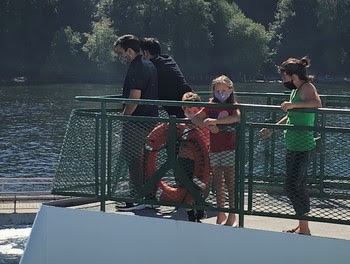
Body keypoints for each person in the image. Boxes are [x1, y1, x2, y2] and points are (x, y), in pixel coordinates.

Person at [260, 56, 322, 235]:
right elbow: (291, 114)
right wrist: (273, 128)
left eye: (284, 76)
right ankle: (303, 224)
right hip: (292, 143)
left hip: (303, 145)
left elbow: (317, 103)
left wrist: (292, 104)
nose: (283, 80)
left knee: (291, 186)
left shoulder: (307, 87)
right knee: (298, 186)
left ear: (293, 75)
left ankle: (305, 228)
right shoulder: (295, 90)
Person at [113, 34, 158, 211]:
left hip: (137, 121)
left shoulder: (136, 67)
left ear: (129, 51)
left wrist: (124, 117)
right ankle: (149, 196)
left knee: (134, 159)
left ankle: (137, 198)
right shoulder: (150, 64)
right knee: (146, 160)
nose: (119, 57)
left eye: (120, 52)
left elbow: (134, 98)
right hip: (151, 119)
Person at [192, 75, 240, 226]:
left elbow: (236, 118)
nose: (221, 93)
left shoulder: (233, 104)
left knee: (230, 182)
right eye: (217, 90)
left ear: (230, 90)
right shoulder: (211, 104)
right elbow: (195, 118)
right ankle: (221, 212)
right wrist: (208, 125)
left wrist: (216, 121)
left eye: (224, 90)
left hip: (230, 148)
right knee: (218, 182)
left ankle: (233, 213)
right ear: (213, 91)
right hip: (215, 148)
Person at [140, 37, 193, 117]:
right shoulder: (167, 59)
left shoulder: (151, 66)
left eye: (140, 53)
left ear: (146, 53)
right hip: (190, 102)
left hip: (182, 110)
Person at [178, 92, 209, 222]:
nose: (190, 114)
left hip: (198, 162)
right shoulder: (181, 124)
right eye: (188, 111)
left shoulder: (202, 125)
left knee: (196, 186)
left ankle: (200, 209)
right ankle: (190, 214)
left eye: (194, 111)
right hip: (183, 161)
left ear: (199, 110)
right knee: (184, 187)